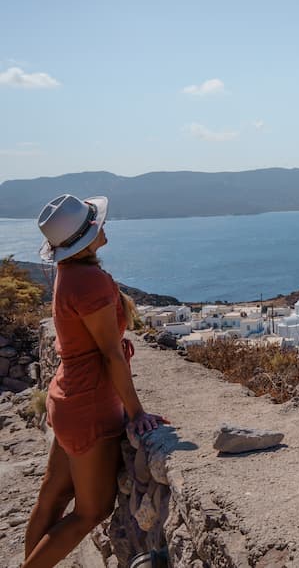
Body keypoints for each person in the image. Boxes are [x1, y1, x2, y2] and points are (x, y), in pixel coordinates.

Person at [23, 194, 168, 568]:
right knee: (92, 510)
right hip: (89, 405)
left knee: (52, 496)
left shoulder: (69, 275)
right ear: (86, 237)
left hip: (66, 395)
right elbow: (110, 354)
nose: (102, 226)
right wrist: (137, 413)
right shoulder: (89, 281)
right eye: (95, 223)